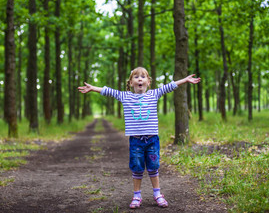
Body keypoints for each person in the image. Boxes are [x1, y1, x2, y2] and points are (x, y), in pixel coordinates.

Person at [78, 67, 201, 209]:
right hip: (136, 141)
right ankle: (137, 196)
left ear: (148, 82)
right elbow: (108, 91)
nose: (140, 79)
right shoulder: (125, 96)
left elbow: (170, 86)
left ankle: (157, 194)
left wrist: (185, 80)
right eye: (136, 77)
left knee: (153, 168)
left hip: (152, 141)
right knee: (137, 168)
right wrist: (93, 88)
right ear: (131, 83)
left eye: (143, 77)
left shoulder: (154, 94)